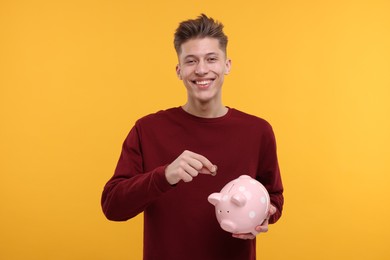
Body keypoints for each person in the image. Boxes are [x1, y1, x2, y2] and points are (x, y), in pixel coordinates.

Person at [101, 14, 284, 260]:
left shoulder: (258, 131)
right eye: (191, 61)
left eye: (211, 59)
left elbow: (274, 198)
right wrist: (164, 175)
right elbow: (113, 206)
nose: (201, 69)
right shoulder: (147, 130)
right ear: (179, 70)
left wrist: (265, 213)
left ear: (227, 65)